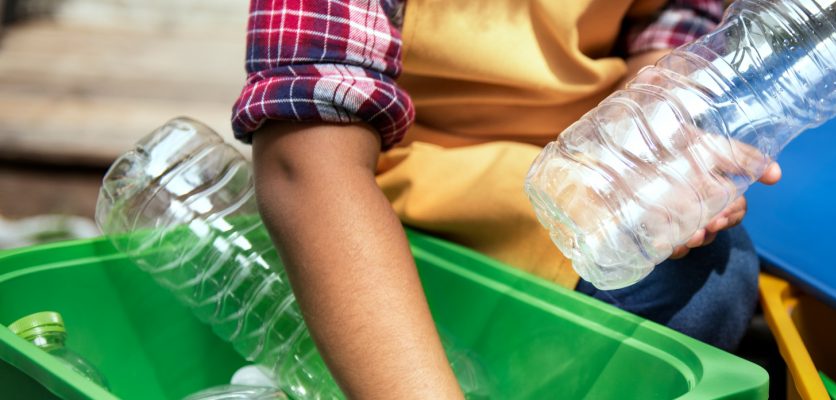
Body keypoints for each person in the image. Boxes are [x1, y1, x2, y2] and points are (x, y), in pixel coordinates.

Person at [232, 0, 781, 397]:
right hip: (403, 184)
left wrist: (654, 134)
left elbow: (671, 21)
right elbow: (303, 162)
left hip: (577, 157)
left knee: (710, 272)